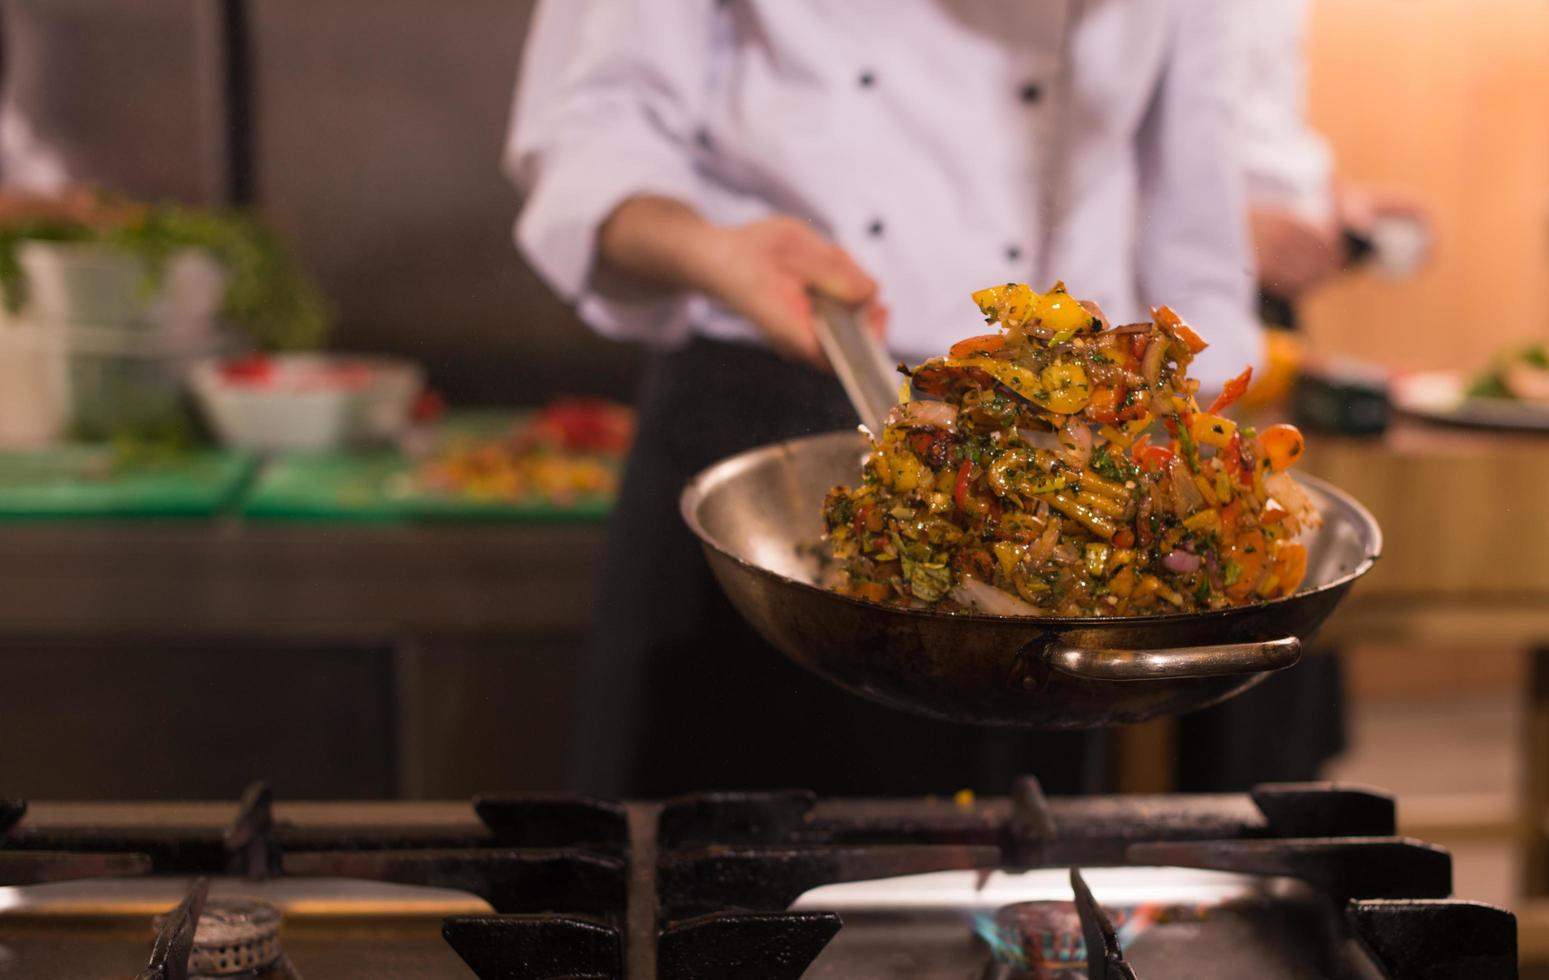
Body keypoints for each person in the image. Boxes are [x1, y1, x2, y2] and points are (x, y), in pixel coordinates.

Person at [505, 0, 1263, 798]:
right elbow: (593, 127)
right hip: (772, 427)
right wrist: (714, 249)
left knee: (1014, 886)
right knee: (716, 867)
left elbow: (1196, 230)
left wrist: (1194, 486)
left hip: (1084, 481)